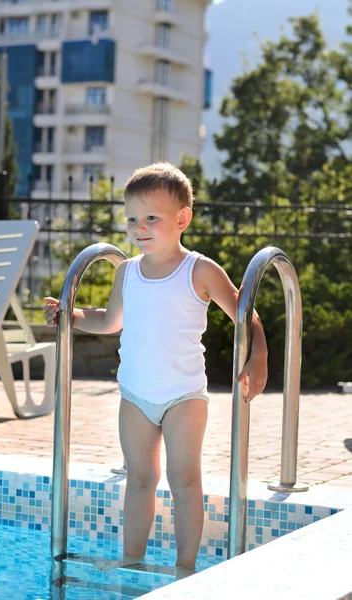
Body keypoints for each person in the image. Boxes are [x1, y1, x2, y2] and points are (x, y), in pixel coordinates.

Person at [43, 162, 268, 578]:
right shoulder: (128, 271)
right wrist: (72, 315)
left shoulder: (199, 269)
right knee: (140, 479)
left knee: (184, 480)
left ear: (182, 218)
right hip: (135, 395)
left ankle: (185, 567)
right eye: (131, 218)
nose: (139, 227)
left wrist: (259, 356)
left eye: (152, 217)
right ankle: (132, 561)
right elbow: (110, 321)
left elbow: (244, 312)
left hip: (184, 395)